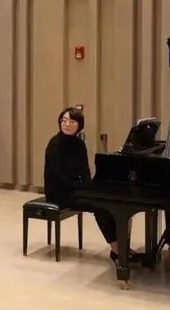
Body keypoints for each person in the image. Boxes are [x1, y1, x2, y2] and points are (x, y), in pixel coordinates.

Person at [44, 107, 139, 262]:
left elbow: (85, 171)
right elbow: (55, 176)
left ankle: (122, 246)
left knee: (111, 203)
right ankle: (117, 251)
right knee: (101, 207)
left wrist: (91, 187)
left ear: (79, 125)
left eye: (72, 121)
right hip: (60, 192)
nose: (67, 124)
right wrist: (81, 188)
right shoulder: (55, 144)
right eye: (64, 120)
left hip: (76, 189)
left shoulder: (79, 143)